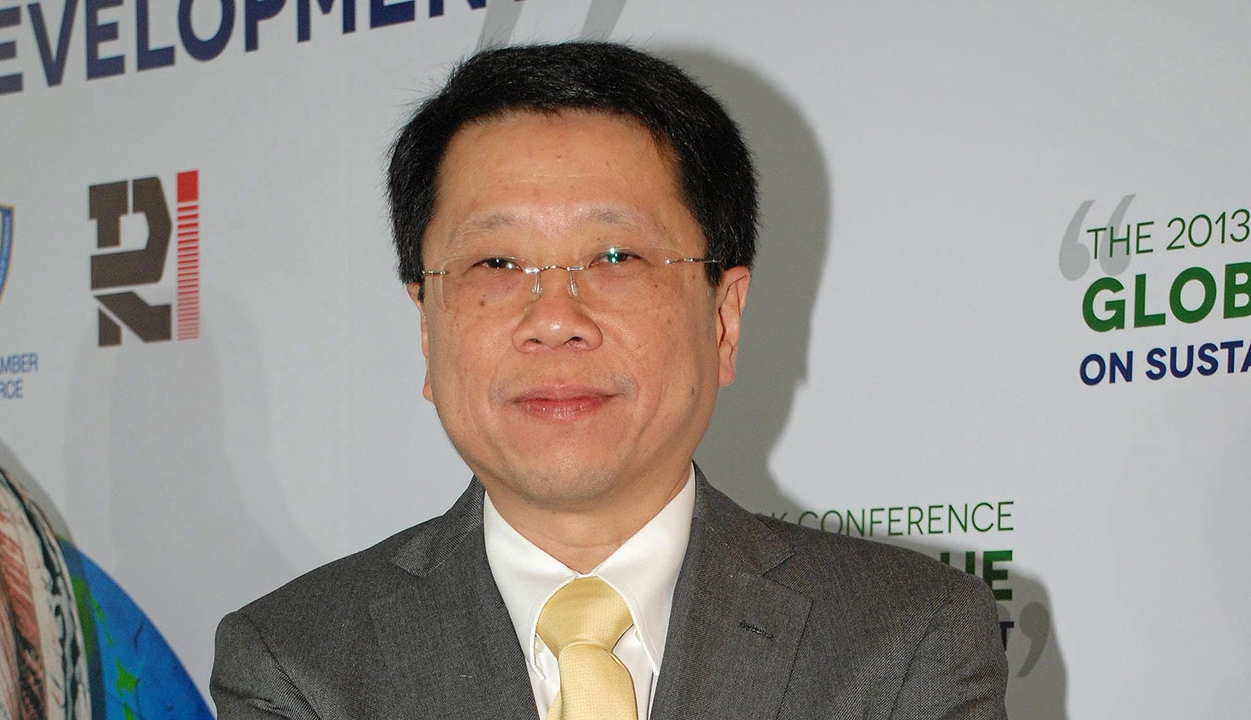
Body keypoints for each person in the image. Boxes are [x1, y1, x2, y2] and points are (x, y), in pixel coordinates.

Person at [210, 42, 1008, 720]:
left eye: (616, 258)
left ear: (723, 319)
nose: (555, 318)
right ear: (427, 327)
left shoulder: (907, 638)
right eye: (496, 262)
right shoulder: (298, 661)